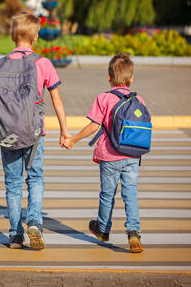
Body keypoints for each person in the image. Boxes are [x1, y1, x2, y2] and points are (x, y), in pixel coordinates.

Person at [0, 13, 69, 250]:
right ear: (36, 37)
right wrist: (64, 131)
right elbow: (57, 100)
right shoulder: (43, 64)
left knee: (13, 183)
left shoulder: (0, 64)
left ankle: (16, 234)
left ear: (11, 36)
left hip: (6, 133)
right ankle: (34, 223)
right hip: (35, 133)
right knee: (35, 178)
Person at [62, 53, 144, 253]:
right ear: (131, 78)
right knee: (130, 193)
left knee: (107, 194)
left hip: (109, 156)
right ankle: (133, 231)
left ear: (109, 77)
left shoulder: (103, 98)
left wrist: (73, 139)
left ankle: (103, 229)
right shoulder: (138, 99)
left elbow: (93, 126)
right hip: (132, 155)